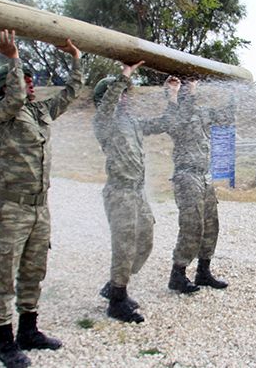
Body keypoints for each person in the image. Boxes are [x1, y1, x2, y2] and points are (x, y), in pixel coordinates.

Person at [0, 30, 83, 368]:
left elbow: (70, 93)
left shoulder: (39, 111)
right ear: (5, 87)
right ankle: (5, 343)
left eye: (30, 79)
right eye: (22, 79)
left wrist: (76, 58)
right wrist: (13, 58)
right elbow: (14, 97)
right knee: (4, 274)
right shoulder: (3, 114)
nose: (29, 84)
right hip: (12, 207)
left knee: (33, 270)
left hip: (40, 207)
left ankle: (29, 330)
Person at [92, 62, 179, 323]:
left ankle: (114, 286)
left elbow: (166, 122)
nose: (125, 98)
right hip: (120, 194)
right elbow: (108, 105)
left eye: (125, 94)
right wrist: (124, 75)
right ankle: (117, 301)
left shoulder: (131, 122)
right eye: (120, 94)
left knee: (145, 242)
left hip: (137, 194)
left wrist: (171, 96)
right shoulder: (103, 122)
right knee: (124, 246)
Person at [166, 79, 236, 293]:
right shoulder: (176, 115)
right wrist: (174, 93)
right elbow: (175, 122)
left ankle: (203, 272)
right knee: (192, 226)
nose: (191, 92)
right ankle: (178, 274)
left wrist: (233, 94)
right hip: (187, 176)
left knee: (211, 225)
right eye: (187, 90)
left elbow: (226, 117)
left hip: (204, 176)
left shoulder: (202, 112)